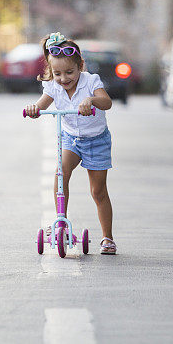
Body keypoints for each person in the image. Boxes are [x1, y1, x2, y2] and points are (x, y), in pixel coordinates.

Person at [23, 32, 117, 254]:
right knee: (61, 173)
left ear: (80, 66)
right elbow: (42, 105)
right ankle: (61, 223)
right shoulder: (54, 87)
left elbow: (107, 102)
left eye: (69, 72)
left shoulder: (91, 81)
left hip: (96, 141)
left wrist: (91, 100)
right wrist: (34, 109)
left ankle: (107, 237)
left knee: (98, 191)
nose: (64, 78)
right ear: (50, 71)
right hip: (71, 139)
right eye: (57, 73)